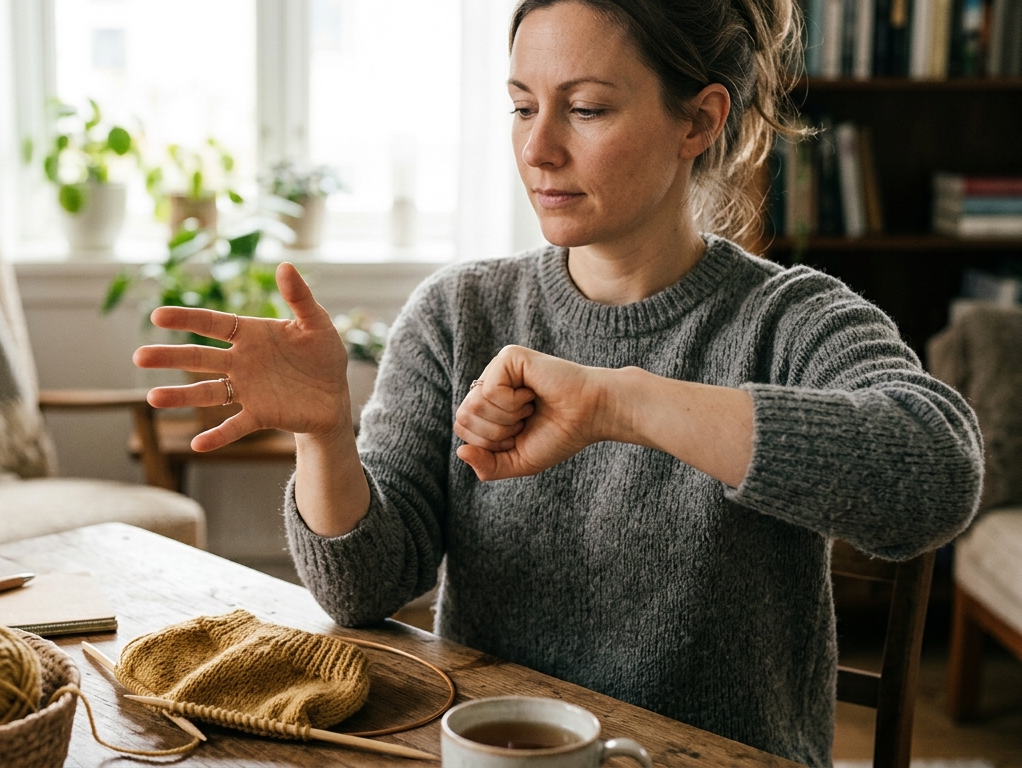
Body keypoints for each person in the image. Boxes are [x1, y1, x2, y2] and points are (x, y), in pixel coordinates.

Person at [133, 0, 984, 764]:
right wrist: (323, 435)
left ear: (698, 120)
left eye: (585, 109)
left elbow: (935, 474)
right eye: (521, 106)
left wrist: (624, 402)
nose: (537, 149)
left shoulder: (789, 319)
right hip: (491, 753)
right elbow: (360, 589)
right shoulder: (459, 312)